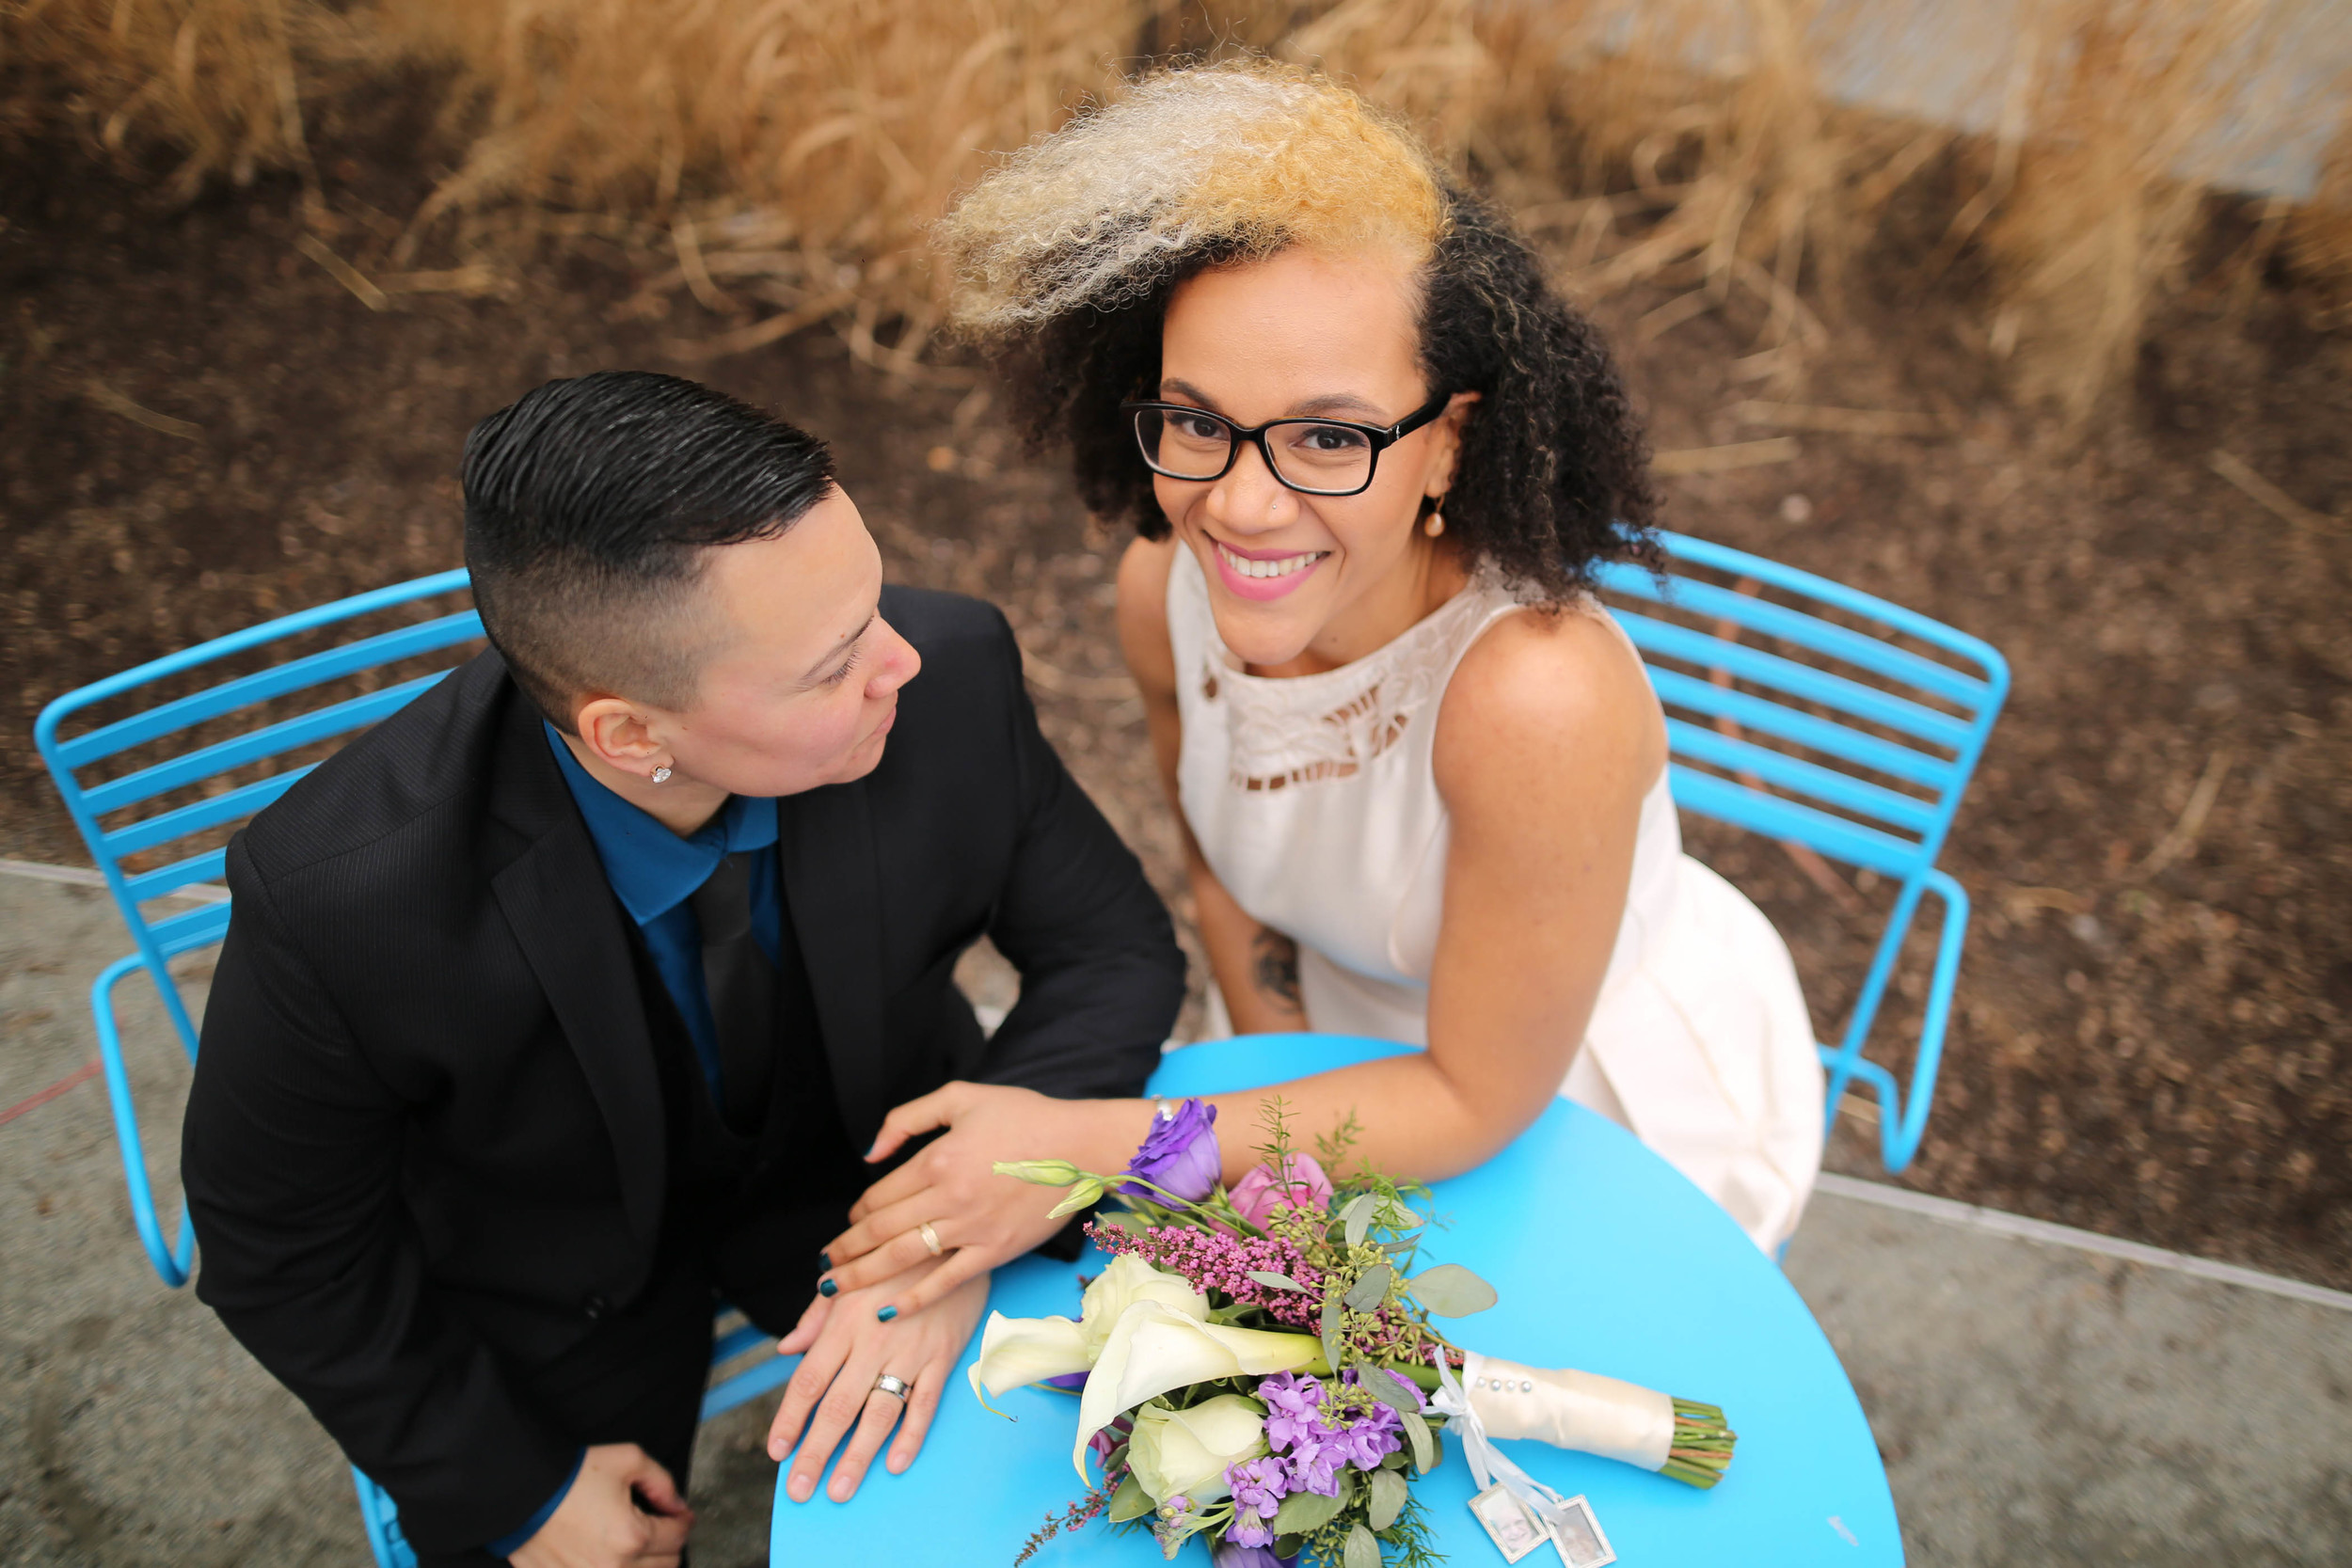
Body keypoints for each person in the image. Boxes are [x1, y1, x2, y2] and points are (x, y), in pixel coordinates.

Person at [812, 62, 1824, 1320]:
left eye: (1329, 438)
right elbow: (1228, 858)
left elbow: (1472, 1093)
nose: (1239, 503)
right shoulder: (1164, 586)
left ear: (1451, 435)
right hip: (1332, 1062)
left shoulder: (1534, 700)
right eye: (1196, 420)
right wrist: (1253, 1076)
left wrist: (1105, 1139)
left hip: (1558, 1093)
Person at [180, 372, 1186, 1567]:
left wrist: (959, 1209)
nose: (899, 661)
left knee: (1092, 1480)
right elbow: (273, 1240)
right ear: (629, 735)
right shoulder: (341, 896)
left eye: (870, 601)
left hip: (878, 1168)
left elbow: (1111, 945)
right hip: (553, 1293)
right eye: (832, 664)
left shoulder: (951, 671)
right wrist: (517, 1490)